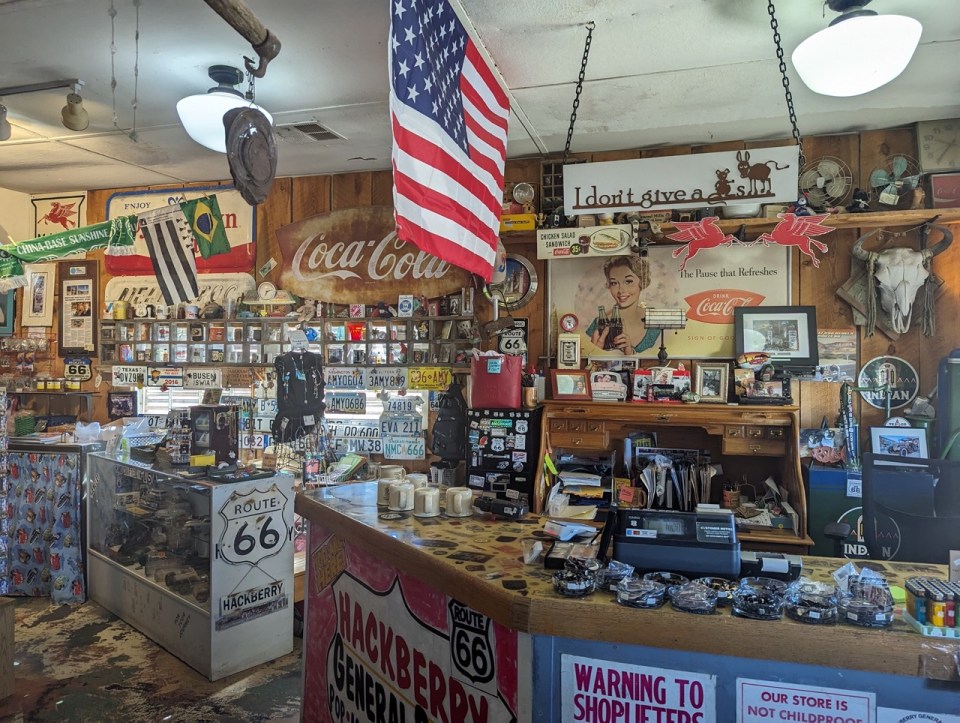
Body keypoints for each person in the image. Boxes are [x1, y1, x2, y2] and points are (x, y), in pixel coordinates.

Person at [586, 256, 660, 354]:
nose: (621, 290)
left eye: (628, 281)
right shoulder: (600, 322)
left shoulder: (655, 318)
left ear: (642, 282)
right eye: (614, 283)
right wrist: (596, 352)